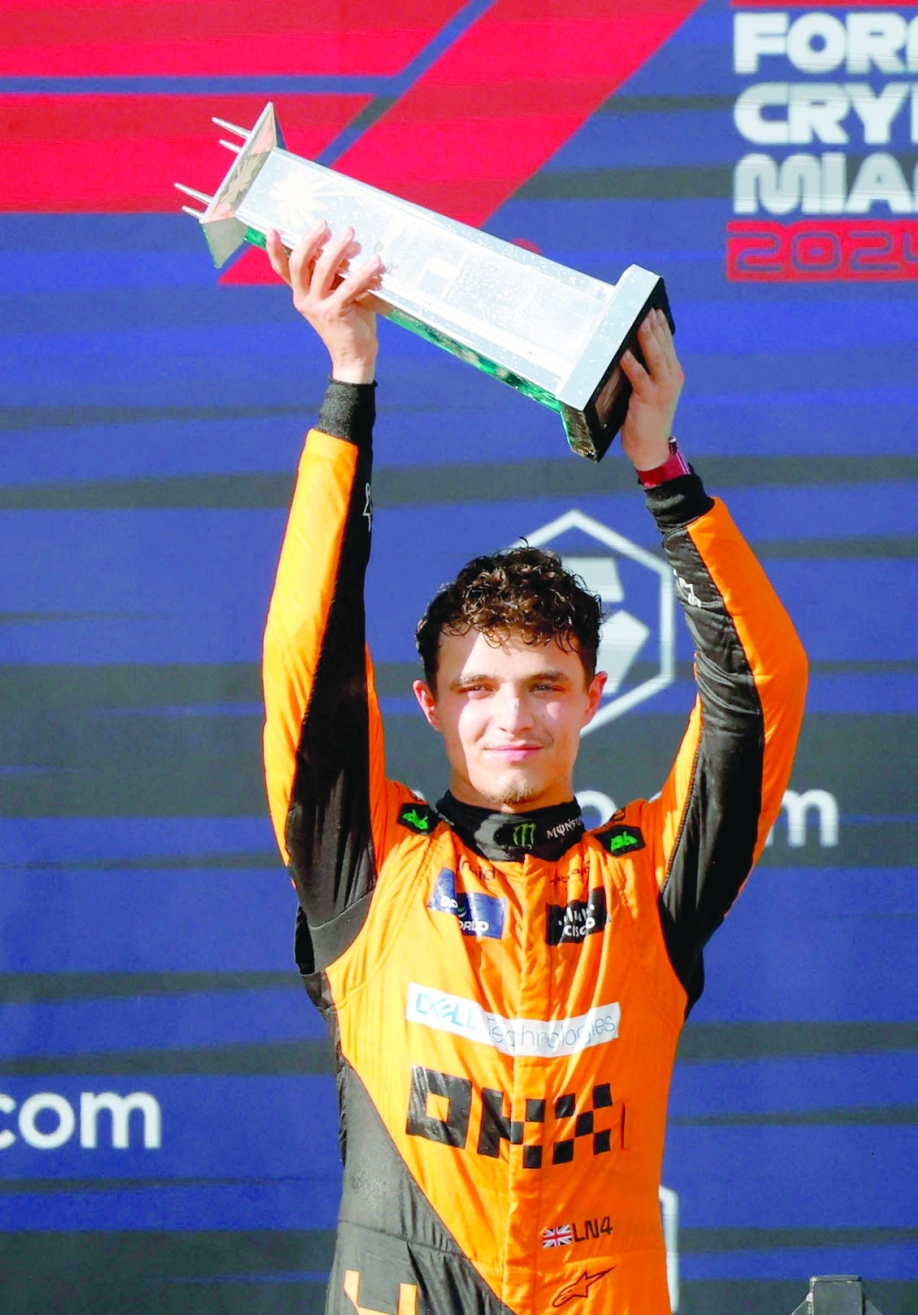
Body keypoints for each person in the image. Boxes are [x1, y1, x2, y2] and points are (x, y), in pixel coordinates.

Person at [261, 221, 808, 1315]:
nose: (511, 716)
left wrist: (661, 462)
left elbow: (758, 687)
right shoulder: (365, 861)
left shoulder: (649, 878)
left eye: (545, 685)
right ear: (428, 703)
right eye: (476, 688)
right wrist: (349, 382)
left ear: (592, 697)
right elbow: (308, 658)